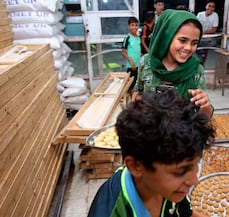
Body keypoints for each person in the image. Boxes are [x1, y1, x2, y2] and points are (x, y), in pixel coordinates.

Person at [87, 88, 215, 217]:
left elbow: (186, 214)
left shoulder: (172, 190)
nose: (194, 181)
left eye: (195, 166)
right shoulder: (112, 211)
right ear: (136, 166)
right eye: (180, 171)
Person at [132, 9, 214, 117]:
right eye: (183, 40)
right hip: (150, 130)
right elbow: (137, 91)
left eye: (194, 43)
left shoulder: (195, 70)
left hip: (182, 132)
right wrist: (138, 101)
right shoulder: (147, 62)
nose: (188, 48)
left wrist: (206, 106)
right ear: (167, 37)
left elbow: (205, 114)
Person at [196, 0, 219, 66]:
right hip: (199, 39)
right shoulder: (200, 14)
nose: (210, 8)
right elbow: (196, 26)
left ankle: (203, 66)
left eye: (213, 7)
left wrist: (203, 32)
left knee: (205, 55)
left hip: (209, 40)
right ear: (206, 6)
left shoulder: (215, 15)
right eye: (209, 6)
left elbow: (214, 29)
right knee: (198, 55)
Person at [121, 16, 141, 98]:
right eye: (132, 25)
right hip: (131, 66)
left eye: (136, 25)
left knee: (138, 85)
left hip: (139, 66)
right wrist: (131, 61)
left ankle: (135, 101)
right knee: (131, 86)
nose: (134, 27)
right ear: (128, 26)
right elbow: (123, 52)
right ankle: (133, 103)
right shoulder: (127, 38)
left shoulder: (139, 38)